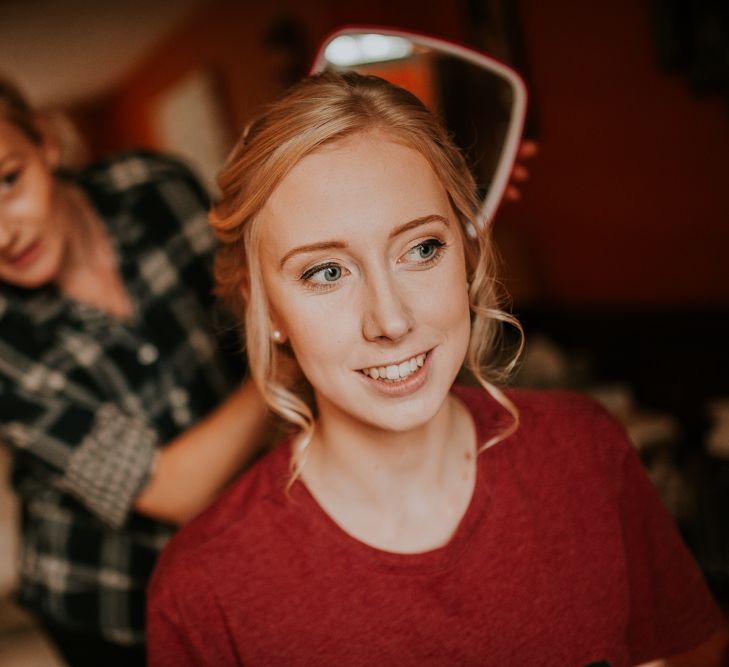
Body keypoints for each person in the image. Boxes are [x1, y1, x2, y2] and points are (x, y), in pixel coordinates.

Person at [146, 71, 724, 666]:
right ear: (263, 307)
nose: (391, 320)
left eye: (421, 249)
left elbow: (693, 649)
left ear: (466, 252)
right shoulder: (204, 588)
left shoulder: (585, 451)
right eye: (326, 272)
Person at [0, 76, 269, 666]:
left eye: (8, 180)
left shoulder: (156, 186)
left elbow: (260, 288)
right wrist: (286, 371)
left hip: (247, 542)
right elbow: (167, 488)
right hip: (110, 597)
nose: (3, 233)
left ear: (46, 143)